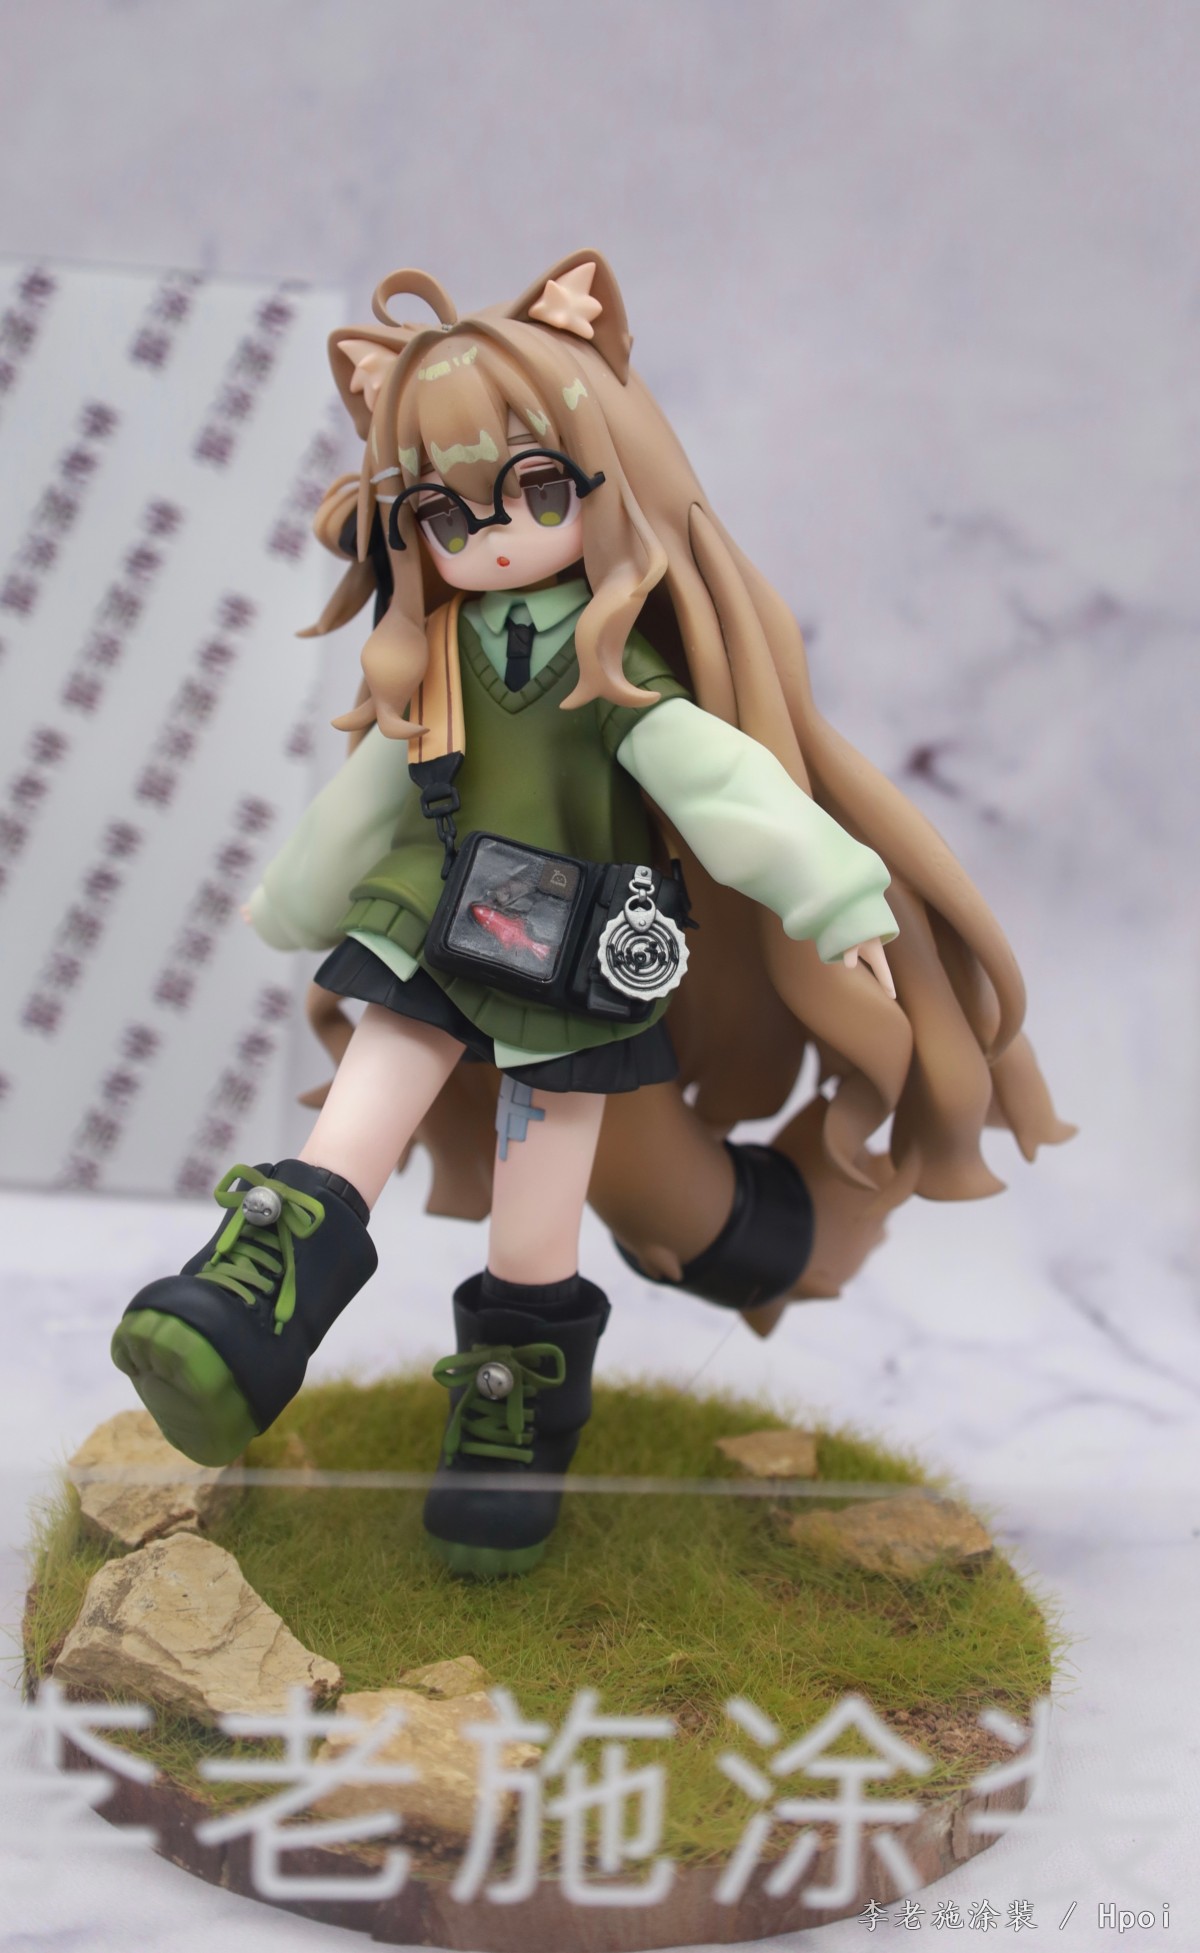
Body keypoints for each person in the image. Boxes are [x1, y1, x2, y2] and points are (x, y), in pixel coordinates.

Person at [111, 254, 1071, 1578]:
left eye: (538, 490)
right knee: (368, 1098)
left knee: (538, 1198)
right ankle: (247, 1301)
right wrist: (297, 897)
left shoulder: (614, 660)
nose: (493, 534)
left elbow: (720, 784)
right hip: (433, 909)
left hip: (573, 948)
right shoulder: (438, 656)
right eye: (446, 512)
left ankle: (511, 1424)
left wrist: (835, 893)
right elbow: (373, 792)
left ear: (601, 480)